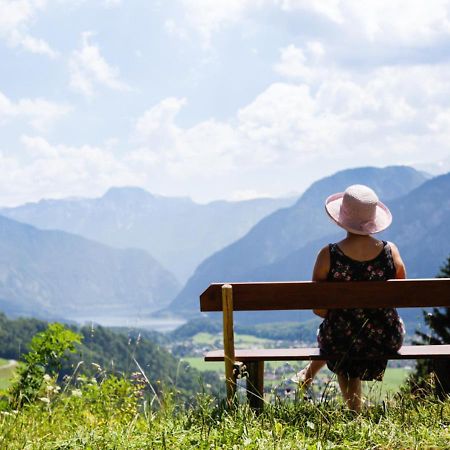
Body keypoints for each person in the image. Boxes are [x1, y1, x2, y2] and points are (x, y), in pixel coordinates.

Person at [292, 184, 406, 412]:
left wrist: (344, 314)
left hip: (341, 340)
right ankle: (309, 375)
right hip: (385, 337)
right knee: (347, 332)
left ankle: (354, 412)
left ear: (341, 218)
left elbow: (318, 308)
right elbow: (401, 295)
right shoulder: (390, 252)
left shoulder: (329, 255)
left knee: (339, 333)